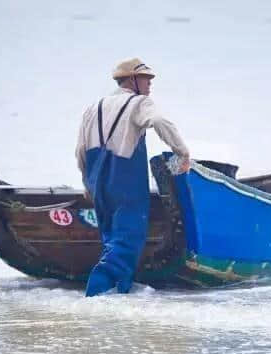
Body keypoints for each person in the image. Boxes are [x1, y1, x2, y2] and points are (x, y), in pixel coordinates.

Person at [75, 58, 190, 297]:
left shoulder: (92, 108)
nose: (150, 85)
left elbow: (80, 150)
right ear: (132, 80)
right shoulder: (139, 103)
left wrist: (87, 183)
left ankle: (120, 296)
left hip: (98, 183)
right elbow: (159, 121)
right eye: (146, 79)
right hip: (126, 184)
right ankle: (95, 295)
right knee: (127, 243)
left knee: (111, 242)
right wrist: (182, 152)